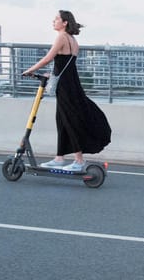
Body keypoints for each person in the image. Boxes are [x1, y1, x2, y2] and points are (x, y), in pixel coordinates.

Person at [22, 10, 111, 171]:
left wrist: (30, 70)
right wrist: (51, 74)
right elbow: (65, 65)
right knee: (62, 120)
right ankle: (59, 157)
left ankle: (78, 161)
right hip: (72, 82)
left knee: (69, 121)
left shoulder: (61, 37)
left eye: (56, 19)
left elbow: (48, 58)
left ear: (65, 23)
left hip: (65, 86)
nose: (53, 21)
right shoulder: (73, 40)